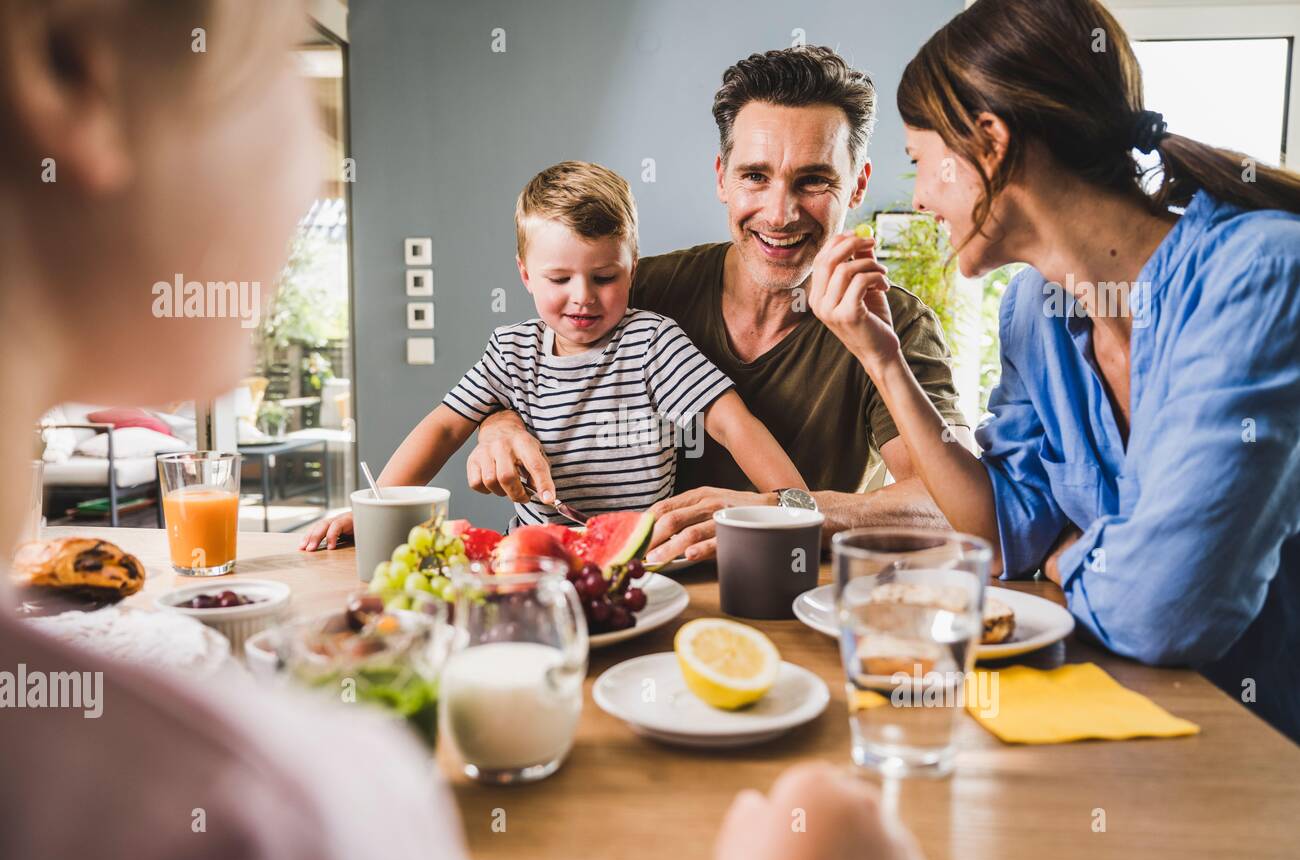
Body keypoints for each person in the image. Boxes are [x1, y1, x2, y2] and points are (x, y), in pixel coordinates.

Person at [0, 0, 916, 860]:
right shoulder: (283, 801)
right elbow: (480, 396)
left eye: (814, 180)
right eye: (276, 68)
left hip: (723, 625)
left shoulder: (701, 321)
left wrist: (789, 508)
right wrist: (454, 450)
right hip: (555, 627)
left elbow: (906, 493)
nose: (781, 211)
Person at [810, 0, 1300, 741]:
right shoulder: (1037, 310)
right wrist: (881, 357)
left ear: (991, 141)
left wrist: (1071, 558)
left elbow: (1169, 609)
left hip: (1258, 745)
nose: (918, 199)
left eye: (921, 163)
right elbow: (999, 534)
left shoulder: (1258, 274)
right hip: (1116, 722)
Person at [435, 46, 971, 564]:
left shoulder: (895, 323)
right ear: (722, 177)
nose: (780, 214)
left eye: (814, 180)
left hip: (797, 596)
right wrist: (500, 422)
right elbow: (535, 363)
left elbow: (948, 508)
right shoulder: (637, 292)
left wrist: (778, 511)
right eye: (755, 176)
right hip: (641, 593)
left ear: (857, 186)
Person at [300, 161, 804, 549]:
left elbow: (731, 423)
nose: (583, 296)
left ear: (632, 270)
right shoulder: (511, 350)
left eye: (604, 277)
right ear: (525, 275)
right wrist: (374, 508)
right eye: (559, 279)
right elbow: (444, 427)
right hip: (534, 554)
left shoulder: (653, 342)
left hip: (643, 554)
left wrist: (794, 509)